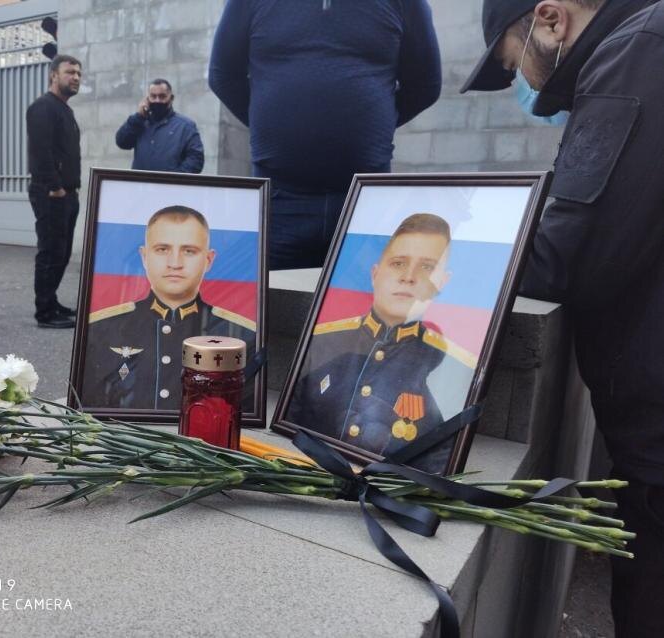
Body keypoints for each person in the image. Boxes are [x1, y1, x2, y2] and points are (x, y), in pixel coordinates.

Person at [461, 1, 664, 635]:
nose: (524, 83)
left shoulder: (633, 57)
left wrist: (456, 242)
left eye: (514, 62)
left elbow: (564, 257)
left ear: (549, 20)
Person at [208, 0, 442, 270]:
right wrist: (270, 124)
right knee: (272, 306)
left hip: (364, 200)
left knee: (359, 306)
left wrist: (377, 126)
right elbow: (222, 75)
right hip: (279, 199)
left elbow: (426, 84)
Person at [286, 214, 476, 473]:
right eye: (398, 263)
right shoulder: (326, 341)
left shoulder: (450, 365)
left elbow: (439, 461)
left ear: (442, 282)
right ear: (375, 274)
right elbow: (292, 426)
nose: (408, 277)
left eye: (427, 267)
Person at [81, 205, 256, 410]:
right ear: (145, 257)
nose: (175, 263)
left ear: (208, 260)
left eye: (189, 251)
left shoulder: (240, 335)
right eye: (162, 250)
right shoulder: (101, 327)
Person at [26, 54, 82, 329]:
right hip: (51, 194)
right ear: (53, 75)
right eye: (70, 72)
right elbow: (40, 153)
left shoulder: (64, 109)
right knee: (50, 252)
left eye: (78, 74)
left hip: (68, 194)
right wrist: (55, 188)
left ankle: (52, 300)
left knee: (62, 252)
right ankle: (44, 312)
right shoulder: (43, 108)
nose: (75, 77)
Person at [115, 79, 204, 173]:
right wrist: (138, 117)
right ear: (147, 99)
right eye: (153, 96)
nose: (157, 100)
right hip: (140, 185)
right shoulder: (139, 122)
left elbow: (196, 159)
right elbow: (122, 142)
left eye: (162, 96)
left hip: (170, 186)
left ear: (171, 98)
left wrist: (175, 179)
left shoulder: (186, 126)